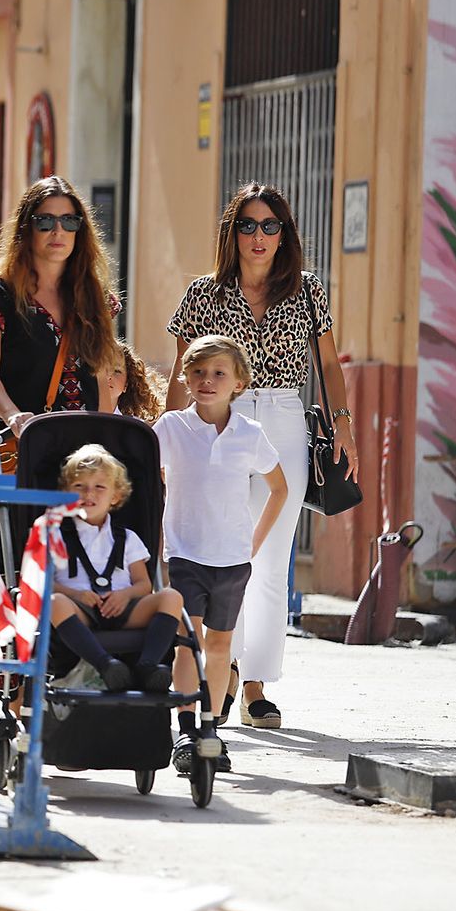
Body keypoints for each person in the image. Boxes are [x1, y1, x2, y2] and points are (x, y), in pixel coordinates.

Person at [165, 183, 359, 730]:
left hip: (281, 417)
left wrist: (341, 426)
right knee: (221, 553)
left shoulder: (306, 289)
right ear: (232, 233)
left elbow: (329, 364)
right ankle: (218, 679)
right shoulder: (203, 292)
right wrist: (174, 438)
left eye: (270, 225)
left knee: (270, 562)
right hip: (217, 421)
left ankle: (254, 686)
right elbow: (183, 372)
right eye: (247, 225)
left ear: (285, 234)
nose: (259, 236)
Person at [156, 335, 288, 774]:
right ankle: (187, 730)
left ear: (239, 383)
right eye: (197, 373)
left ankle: (211, 729)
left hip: (231, 559)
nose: (207, 381)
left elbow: (279, 488)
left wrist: (253, 541)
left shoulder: (249, 434)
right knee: (186, 642)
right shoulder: (171, 428)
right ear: (185, 378)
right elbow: (148, 480)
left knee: (220, 645)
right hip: (184, 555)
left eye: (218, 373)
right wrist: (157, 542)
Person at [0, 176, 120, 460]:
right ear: (27, 228)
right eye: (46, 221)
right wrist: (13, 417)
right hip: (16, 447)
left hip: (80, 454)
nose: (58, 231)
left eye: (69, 222)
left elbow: (99, 377)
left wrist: (105, 438)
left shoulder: (93, 296)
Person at [47, 445, 183, 693]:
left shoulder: (127, 538)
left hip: (123, 607)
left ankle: (148, 665)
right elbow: (40, 582)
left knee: (172, 597)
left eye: (99, 487)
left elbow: (143, 584)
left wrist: (125, 595)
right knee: (54, 601)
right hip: (79, 610)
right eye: (80, 486)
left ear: (115, 496)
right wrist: (76, 595)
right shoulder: (55, 534)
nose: (90, 493)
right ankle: (106, 665)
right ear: (67, 492)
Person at [99, 341, 164, 422]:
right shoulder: (78, 420)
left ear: (126, 384)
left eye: (117, 371)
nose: (108, 376)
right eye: (101, 369)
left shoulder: (134, 428)